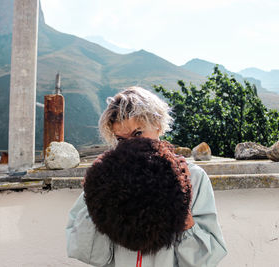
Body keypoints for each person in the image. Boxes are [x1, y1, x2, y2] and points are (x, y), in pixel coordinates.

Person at [66, 86, 227, 267]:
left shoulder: (193, 178)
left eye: (138, 133)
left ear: (157, 125)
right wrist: (94, 199)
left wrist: (182, 212)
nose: (131, 145)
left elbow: (206, 259)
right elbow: (88, 253)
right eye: (121, 139)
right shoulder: (107, 178)